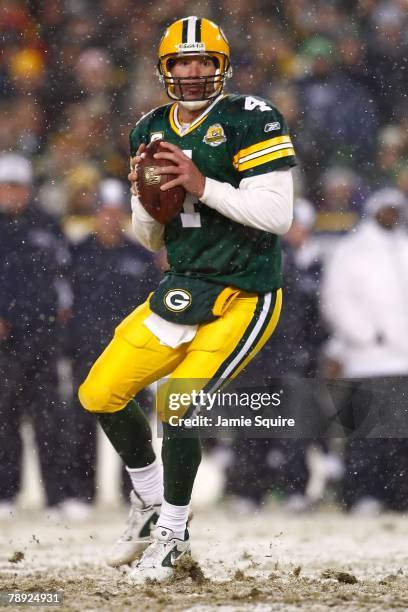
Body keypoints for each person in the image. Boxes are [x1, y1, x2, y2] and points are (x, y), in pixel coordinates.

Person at [78, 16, 296, 582]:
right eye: (182, 62)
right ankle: (150, 500)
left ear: (221, 66)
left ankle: (173, 535)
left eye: (203, 62)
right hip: (183, 285)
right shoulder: (149, 127)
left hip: (246, 290)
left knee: (177, 404)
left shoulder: (251, 117)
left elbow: (278, 215)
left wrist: (202, 185)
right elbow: (150, 237)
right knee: (100, 392)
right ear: (165, 69)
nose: (193, 72)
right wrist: (147, 199)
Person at [67, 178, 159, 509]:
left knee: (132, 424)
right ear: (94, 215)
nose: (109, 218)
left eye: (115, 212)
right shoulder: (76, 254)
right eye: (104, 212)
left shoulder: (139, 256)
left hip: (130, 355)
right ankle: (81, 492)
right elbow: (66, 303)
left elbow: (153, 305)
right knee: (81, 424)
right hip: (87, 352)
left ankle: (132, 492)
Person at [321, 187, 408, 513]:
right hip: (367, 357)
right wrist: (368, 335)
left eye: (396, 209)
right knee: (368, 435)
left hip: (403, 359)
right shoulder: (352, 250)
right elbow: (337, 300)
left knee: (401, 436)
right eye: (386, 209)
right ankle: (362, 495)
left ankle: (398, 496)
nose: (392, 215)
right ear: (374, 211)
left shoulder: (404, 247)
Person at [0, 153, 72, 518]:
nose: (12, 193)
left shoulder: (47, 224)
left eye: (18, 186)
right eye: (6, 186)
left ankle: (55, 498)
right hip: (3, 340)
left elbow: (64, 277)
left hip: (43, 337)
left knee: (49, 419)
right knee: (4, 421)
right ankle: (5, 495)